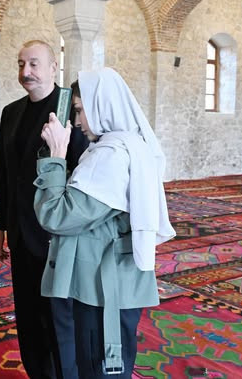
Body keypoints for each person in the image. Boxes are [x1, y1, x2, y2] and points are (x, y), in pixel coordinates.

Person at [33, 67, 176, 378]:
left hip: (101, 288)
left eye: (80, 110)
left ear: (102, 106)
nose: (78, 121)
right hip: (109, 281)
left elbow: (57, 216)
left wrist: (56, 155)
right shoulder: (126, 145)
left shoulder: (111, 156)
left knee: (98, 369)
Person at [0, 40, 88, 378]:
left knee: (58, 318)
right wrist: (0, 225)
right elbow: (5, 172)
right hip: (21, 232)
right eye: (21, 64)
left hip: (55, 234)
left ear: (53, 68)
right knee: (28, 315)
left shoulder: (68, 108)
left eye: (34, 63)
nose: (26, 71)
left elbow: (80, 172)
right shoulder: (11, 112)